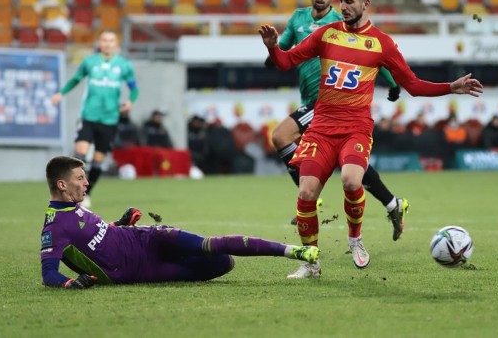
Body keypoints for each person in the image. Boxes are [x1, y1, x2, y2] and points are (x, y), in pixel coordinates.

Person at [259, 0, 483, 278]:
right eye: (342, 2)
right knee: (306, 193)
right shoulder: (326, 34)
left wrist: (450, 87)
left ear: (366, 4)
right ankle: (311, 263)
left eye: (349, 2)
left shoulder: (382, 43)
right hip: (322, 127)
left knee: (352, 182)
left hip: (355, 128)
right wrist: (274, 49)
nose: (344, 7)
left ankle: (355, 239)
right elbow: (287, 62)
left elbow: (412, 85)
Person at [267, 0, 408, 241]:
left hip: (327, 103)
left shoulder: (341, 23)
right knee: (351, 166)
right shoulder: (298, 17)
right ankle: (392, 203)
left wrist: (392, 83)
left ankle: (310, 195)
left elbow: (376, 54)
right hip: (310, 100)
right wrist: (272, 53)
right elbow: (285, 49)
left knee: (281, 135)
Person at [40, 156, 319, 288]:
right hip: (141, 269)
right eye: (80, 178)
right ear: (62, 184)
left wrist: (120, 223)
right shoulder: (54, 228)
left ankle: (294, 251)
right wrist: (69, 284)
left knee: (212, 245)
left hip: (148, 238)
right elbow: (48, 274)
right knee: (223, 263)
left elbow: (99, 236)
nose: (86, 182)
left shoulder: (74, 210)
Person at [51, 31, 138, 208]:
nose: (107, 43)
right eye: (104, 40)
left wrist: (130, 101)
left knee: (98, 161)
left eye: (111, 40)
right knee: (79, 155)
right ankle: (71, 193)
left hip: (110, 119)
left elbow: (134, 88)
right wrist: (61, 93)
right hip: (89, 116)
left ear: (116, 43)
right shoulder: (90, 62)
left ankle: (87, 193)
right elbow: (76, 79)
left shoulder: (124, 65)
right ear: (99, 42)